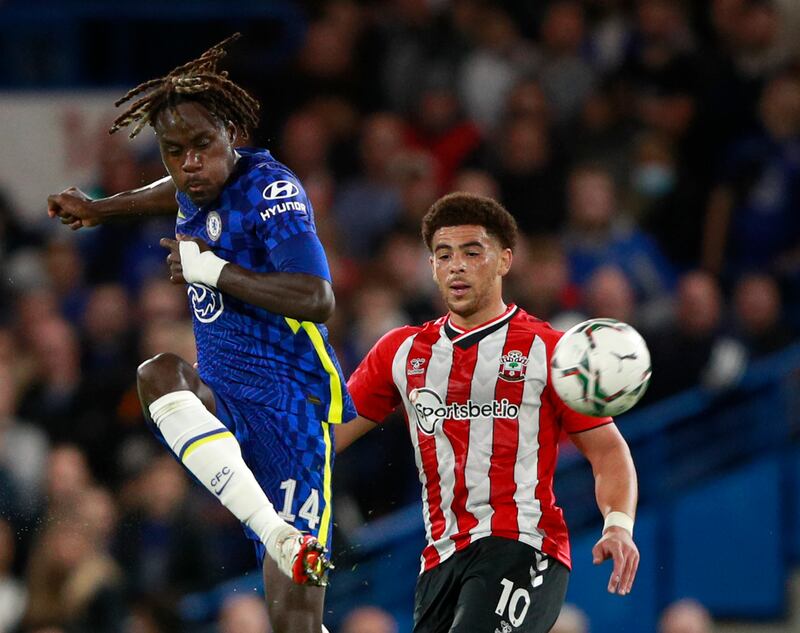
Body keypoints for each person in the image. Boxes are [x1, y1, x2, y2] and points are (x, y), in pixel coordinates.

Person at [46, 34, 356, 632]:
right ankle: (274, 531)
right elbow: (177, 194)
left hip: (289, 412)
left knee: (294, 621)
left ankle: (281, 541)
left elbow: (318, 299)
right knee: (158, 376)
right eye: (174, 150)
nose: (190, 163)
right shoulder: (194, 183)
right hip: (227, 395)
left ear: (231, 136)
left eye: (202, 146)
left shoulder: (272, 192)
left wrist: (212, 271)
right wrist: (102, 207)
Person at [338, 193, 639, 633]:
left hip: (523, 547)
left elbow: (609, 451)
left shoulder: (549, 351)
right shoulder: (399, 353)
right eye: (443, 255)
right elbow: (327, 437)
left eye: (472, 252)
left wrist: (617, 524)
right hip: (440, 561)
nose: (456, 265)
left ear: (504, 261)